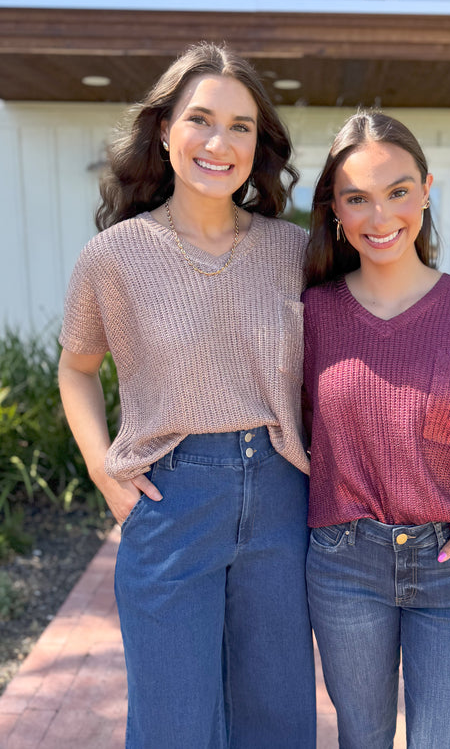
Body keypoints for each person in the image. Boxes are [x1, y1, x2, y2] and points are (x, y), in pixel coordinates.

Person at [58, 42, 316, 749]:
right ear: (164, 128)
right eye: (201, 119)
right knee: (173, 723)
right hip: (171, 501)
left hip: (279, 497)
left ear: (257, 145)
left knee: (279, 720)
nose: (219, 141)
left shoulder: (293, 251)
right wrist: (101, 464)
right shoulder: (113, 257)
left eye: (241, 126)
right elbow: (75, 368)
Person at [302, 110, 450, 749]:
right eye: (358, 199)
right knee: (364, 740)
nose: (380, 218)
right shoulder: (312, 314)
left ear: (427, 189)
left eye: (398, 191)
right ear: (336, 211)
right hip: (344, 565)